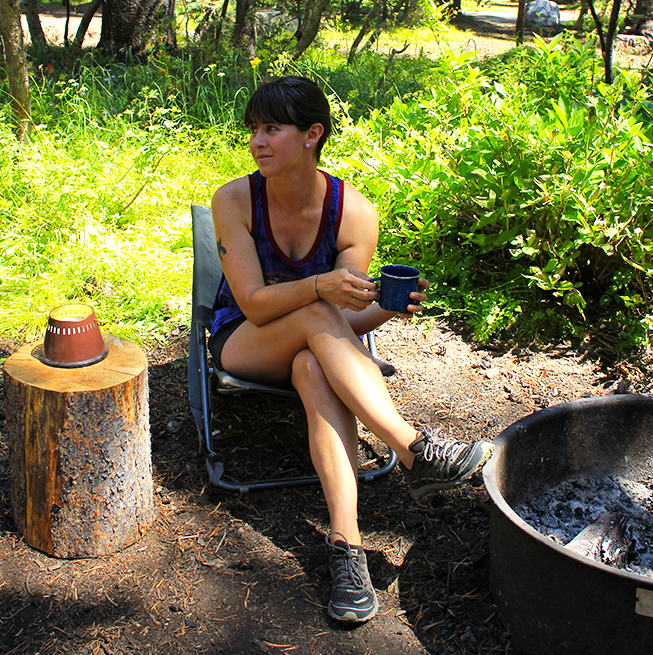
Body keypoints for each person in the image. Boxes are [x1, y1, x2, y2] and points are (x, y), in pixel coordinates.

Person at [209, 76, 493, 623]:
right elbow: (256, 303)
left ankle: (347, 546)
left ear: (312, 134)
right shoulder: (235, 199)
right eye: (254, 130)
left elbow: (343, 317)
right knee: (316, 316)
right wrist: (320, 288)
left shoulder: (354, 212)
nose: (257, 141)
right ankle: (416, 450)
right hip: (244, 340)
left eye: (272, 128)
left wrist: (386, 306)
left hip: (313, 348)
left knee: (315, 365)